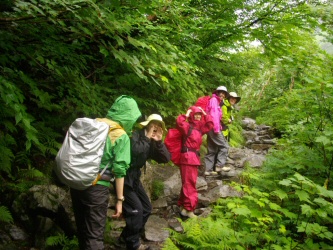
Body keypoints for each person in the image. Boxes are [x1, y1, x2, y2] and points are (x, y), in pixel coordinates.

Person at [70, 95, 142, 250]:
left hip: (76, 180)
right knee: (94, 236)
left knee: (83, 230)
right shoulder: (120, 135)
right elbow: (120, 170)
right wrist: (120, 200)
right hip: (96, 187)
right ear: (129, 116)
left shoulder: (95, 123)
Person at [119, 114, 171, 250]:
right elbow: (135, 151)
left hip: (135, 178)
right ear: (147, 124)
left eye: (158, 126)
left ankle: (126, 237)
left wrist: (159, 141)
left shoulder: (153, 141)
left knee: (147, 208)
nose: (155, 128)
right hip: (123, 176)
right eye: (153, 124)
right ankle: (133, 244)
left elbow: (165, 158)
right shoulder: (135, 135)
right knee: (136, 210)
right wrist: (147, 137)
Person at [176, 106, 213, 218]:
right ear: (192, 115)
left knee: (188, 183)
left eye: (199, 114)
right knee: (189, 184)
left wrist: (205, 113)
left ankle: (183, 207)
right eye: (196, 114)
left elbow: (210, 125)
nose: (198, 116)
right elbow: (179, 122)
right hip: (187, 158)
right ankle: (189, 210)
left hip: (193, 158)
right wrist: (186, 114)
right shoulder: (187, 127)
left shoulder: (199, 128)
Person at [204, 86, 229, 175]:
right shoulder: (214, 100)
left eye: (224, 93)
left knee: (212, 149)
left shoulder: (216, 101)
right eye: (221, 92)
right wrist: (216, 129)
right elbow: (214, 115)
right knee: (224, 146)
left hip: (210, 127)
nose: (222, 95)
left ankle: (208, 170)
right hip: (214, 128)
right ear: (217, 93)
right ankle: (219, 166)